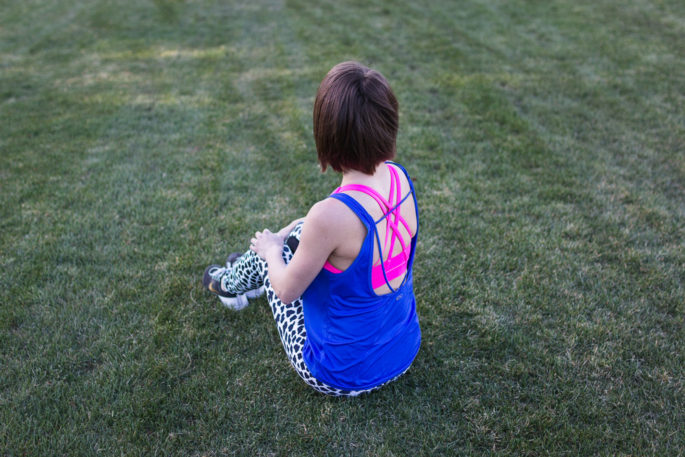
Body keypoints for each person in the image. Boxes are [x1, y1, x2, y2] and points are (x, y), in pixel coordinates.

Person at [203, 61, 421, 396]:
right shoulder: (398, 176)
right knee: (299, 230)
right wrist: (294, 230)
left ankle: (226, 285)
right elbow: (331, 225)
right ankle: (241, 276)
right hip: (401, 350)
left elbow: (288, 291)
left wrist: (272, 249)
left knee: (270, 253)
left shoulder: (329, 217)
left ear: (327, 136)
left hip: (339, 372)